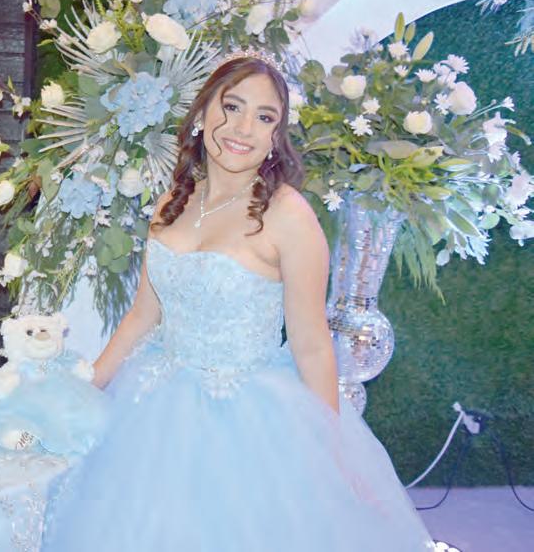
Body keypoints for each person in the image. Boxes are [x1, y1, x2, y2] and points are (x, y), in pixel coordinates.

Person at [40, 51, 436, 551]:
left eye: (265, 117)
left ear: (276, 137)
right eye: (231, 107)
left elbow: (312, 346)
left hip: (248, 420)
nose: (243, 128)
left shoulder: (290, 216)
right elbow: (143, 315)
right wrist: (85, 389)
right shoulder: (172, 202)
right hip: (154, 407)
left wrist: (333, 452)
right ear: (204, 111)